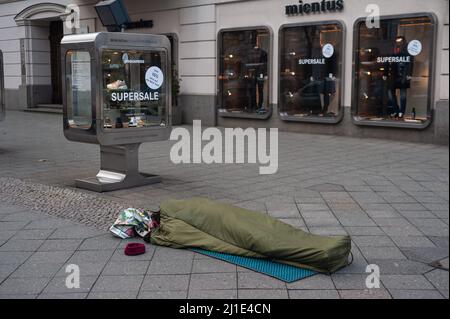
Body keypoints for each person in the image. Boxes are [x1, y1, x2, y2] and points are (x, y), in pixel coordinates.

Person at [383, 36, 413, 119]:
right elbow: (387, 60)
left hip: (403, 75)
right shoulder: (392, 49)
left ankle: (401, 112)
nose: (398, 42)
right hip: (392, 75)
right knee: (390, 94)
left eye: (400, 41)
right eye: (397, 41)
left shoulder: (407, 50)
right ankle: (396, 111)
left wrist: (409, 74)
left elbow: (410, 62)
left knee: (402, 95)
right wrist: (385, 73)